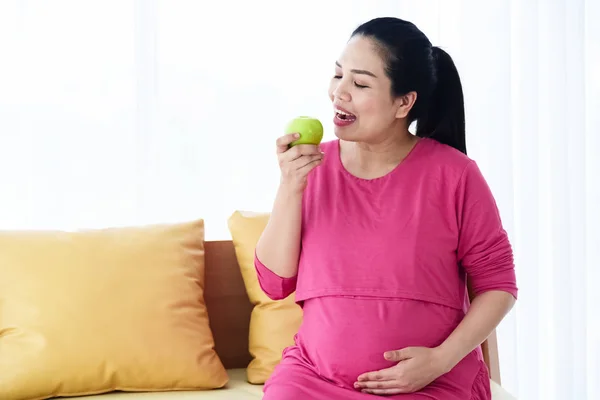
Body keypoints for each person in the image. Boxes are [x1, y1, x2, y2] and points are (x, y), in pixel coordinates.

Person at [254, 16, 518, 400]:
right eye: (338, 75)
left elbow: (498, 286)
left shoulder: (455, 175)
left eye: (359, 83)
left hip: (431, 383)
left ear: (404, 102)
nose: (338, 92)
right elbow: (274, 283)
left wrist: (440, 360)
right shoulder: (311, 167)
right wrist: (290, 186)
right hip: (313, 380)